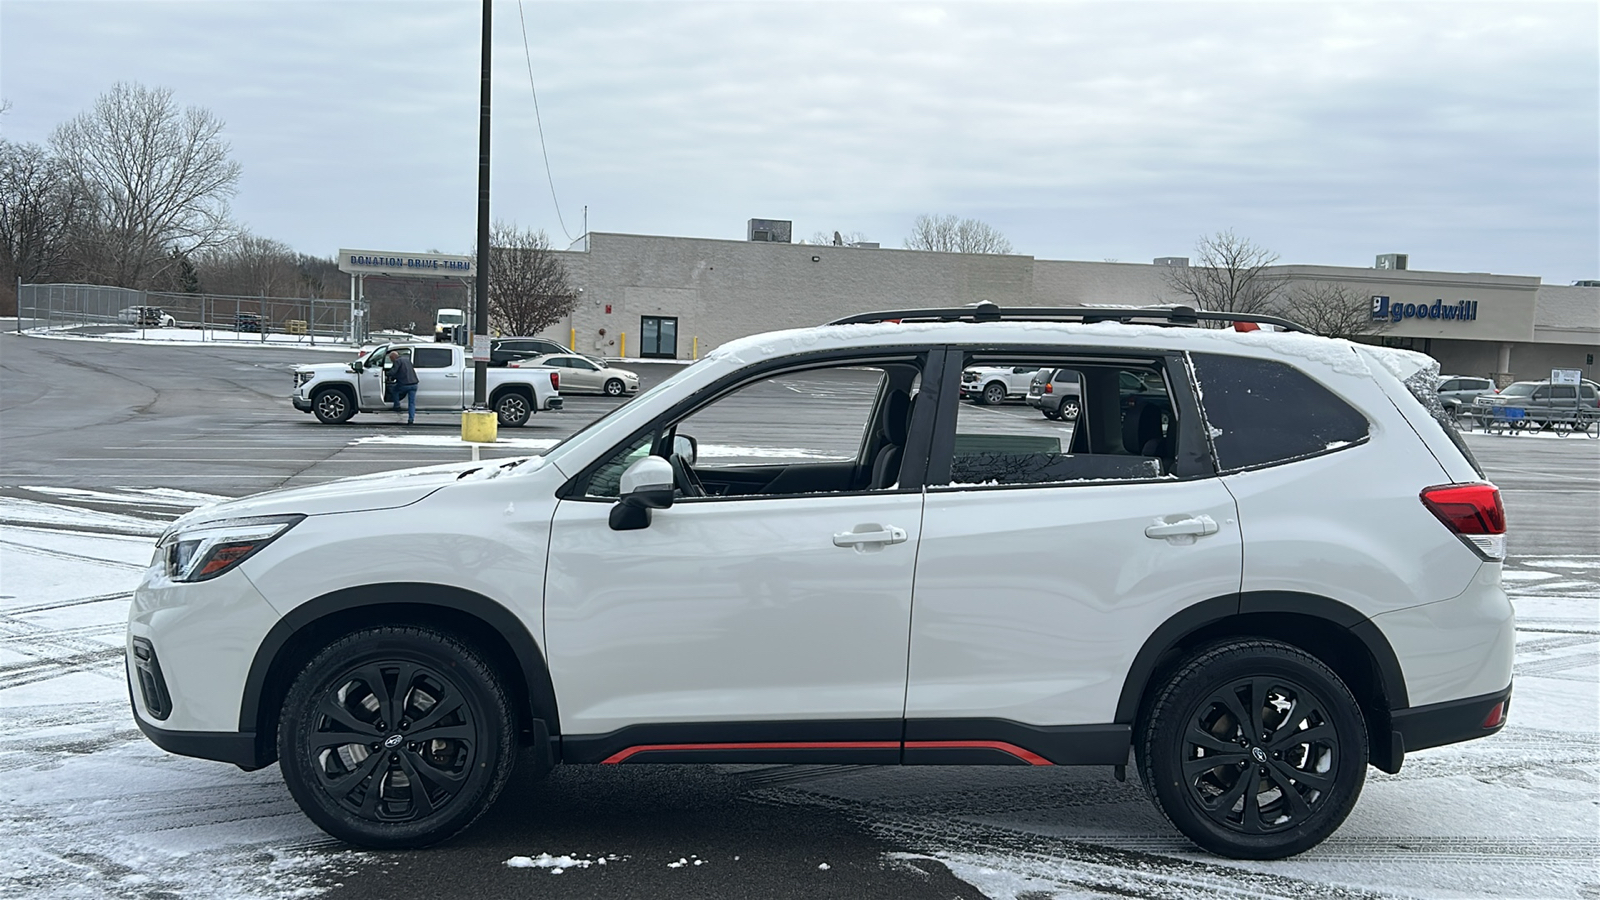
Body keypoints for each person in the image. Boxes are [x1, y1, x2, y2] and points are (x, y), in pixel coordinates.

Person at [386, 350, 419, 424]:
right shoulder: (407, 360)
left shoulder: (397, 361)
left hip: (404, 384)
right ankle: (411, 419)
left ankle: (397, 406)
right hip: (414, 384)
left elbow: (393, 372)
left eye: (391, 359)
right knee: (412, 403)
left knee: (395, 390)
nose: (391, 361)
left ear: (393, 357)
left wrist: (386, 374)